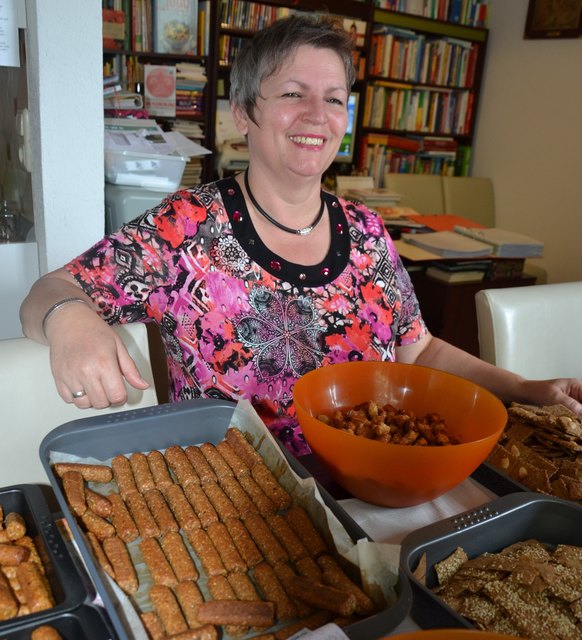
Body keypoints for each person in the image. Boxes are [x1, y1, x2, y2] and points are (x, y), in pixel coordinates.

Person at [20, 14, 582, 457]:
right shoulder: (187, 226)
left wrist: (524, 388)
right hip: (238, 497)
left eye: (334, 98)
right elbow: (47, 292)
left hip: (374, 480)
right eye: (293, 94)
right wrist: (69, 318)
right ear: (243, 111)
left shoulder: (365, 231)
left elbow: (420, 347)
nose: (318, 114)